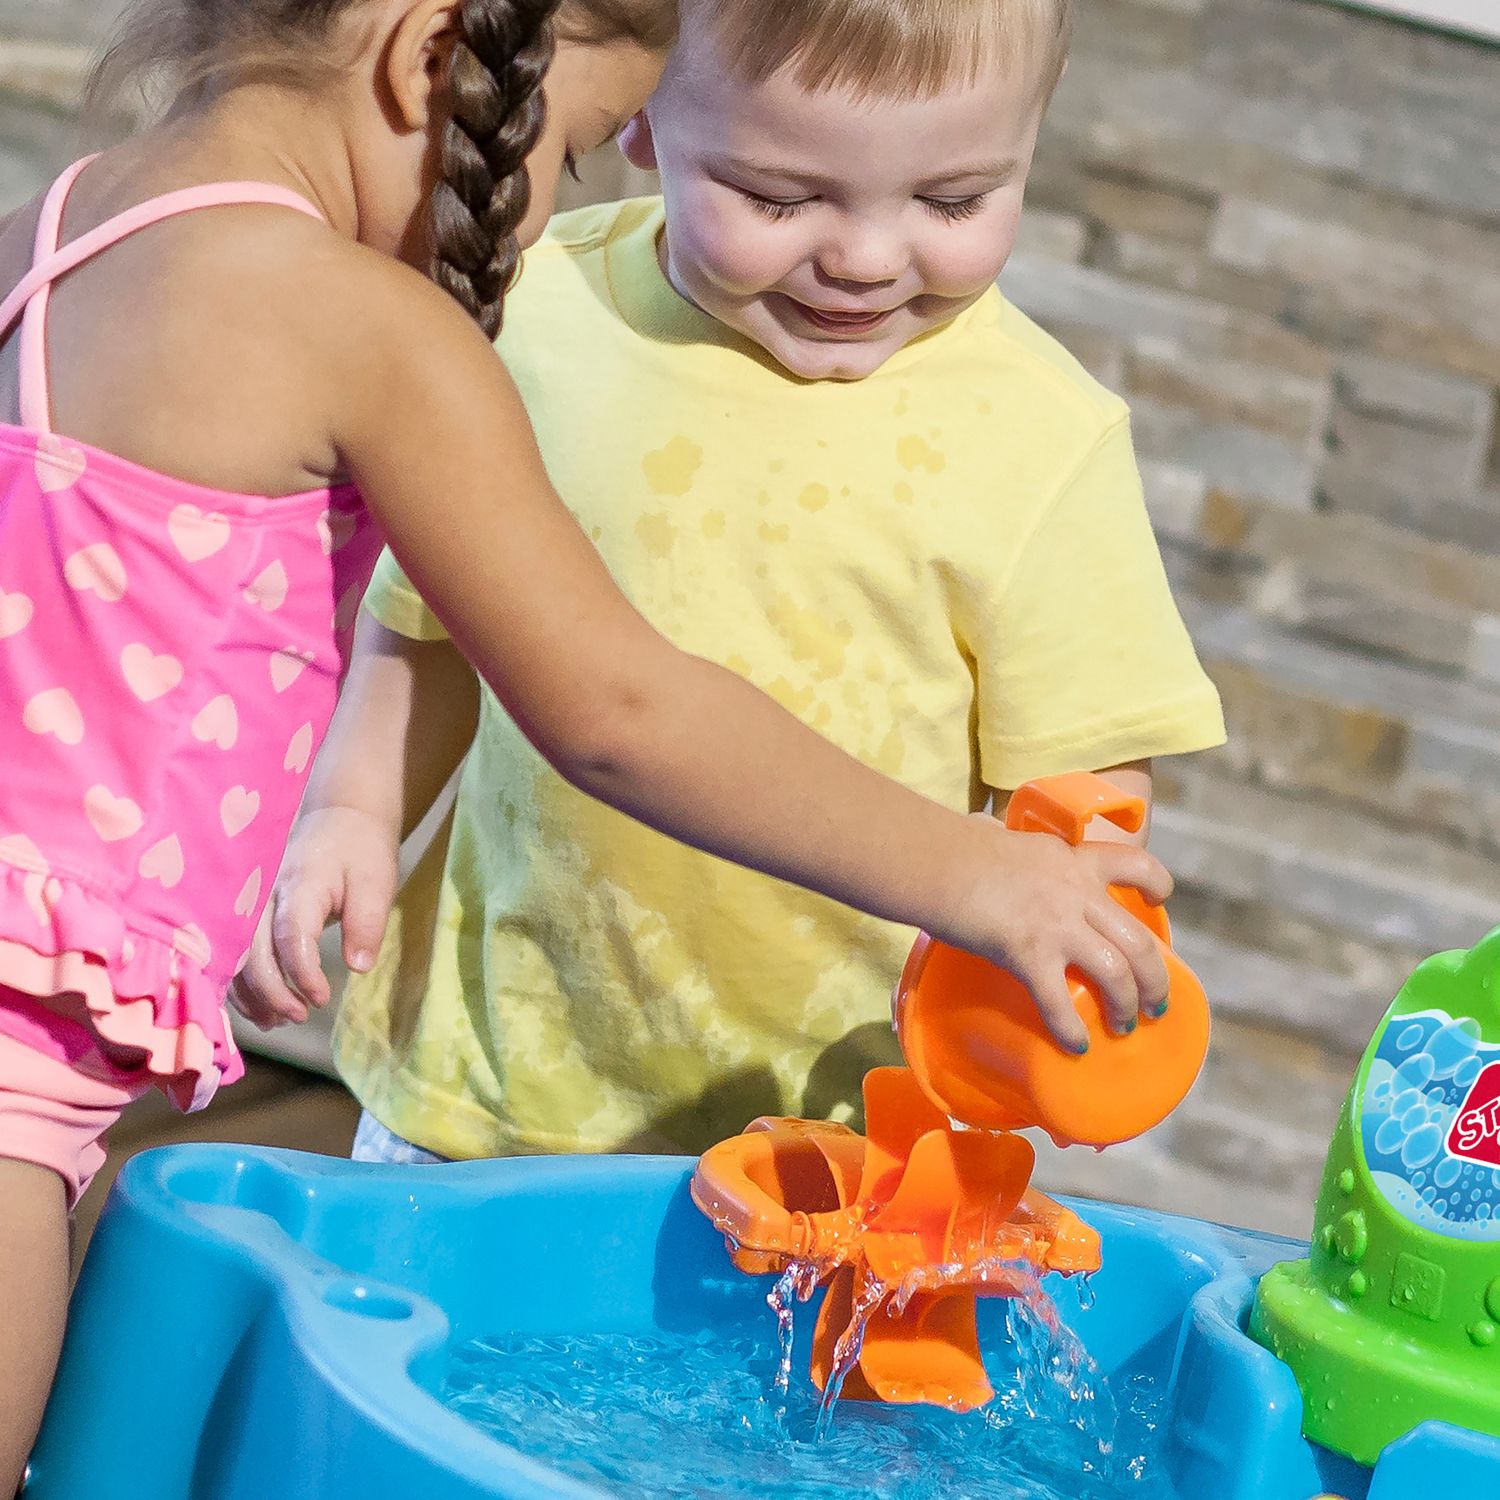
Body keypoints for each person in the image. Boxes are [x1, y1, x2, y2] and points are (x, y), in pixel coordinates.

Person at [0, 0, 1183, 1482]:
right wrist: (971, 875)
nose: (542, 203)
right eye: (558, 148)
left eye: (949, 198)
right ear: (433, 60)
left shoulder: (64, 215)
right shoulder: (384, 325)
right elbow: (613, 709)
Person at [238, 0, 1224, 1169]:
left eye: (953, 200)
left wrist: (1059, 984)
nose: (864, 255)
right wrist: (351, 810)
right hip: (487, 1084)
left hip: (836, 1130)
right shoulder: (535, 319)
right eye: (778, 197)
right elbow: (440, 620)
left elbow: (1078, 800)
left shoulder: (1042, 441)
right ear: (641, 114)